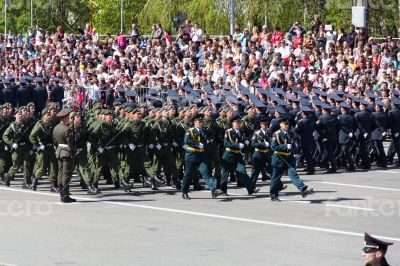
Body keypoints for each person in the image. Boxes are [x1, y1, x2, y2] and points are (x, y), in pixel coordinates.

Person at [269, 119, 314, 201]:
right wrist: (285, 147)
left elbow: (293, 144)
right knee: (276, 177)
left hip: (289, 157)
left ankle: (303, 190)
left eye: (287, 124)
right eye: (284, 124)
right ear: (280, 125)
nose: (286, 126)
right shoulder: (276, 134)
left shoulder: (291, 133)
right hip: (279, 158)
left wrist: (296, 152)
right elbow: (273, 147)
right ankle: (273, 195)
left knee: (293, 174)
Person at [181, 114, 223, 199]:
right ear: (194, 122)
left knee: (206, 173)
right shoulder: (190, 131)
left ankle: (213, 190)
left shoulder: (203, 131)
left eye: (201, 122)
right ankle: (184, 192)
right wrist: (197, 144)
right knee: (188, 175)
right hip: (191, 156)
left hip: (201, 156)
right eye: (199, 122)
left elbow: (204, 142)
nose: (200, 123)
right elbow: (187, 141)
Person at [221, 115, 260, 196]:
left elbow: (244, 142)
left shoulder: (241, 132)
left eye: (239, 123)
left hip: (238, 154)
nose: (238, 124)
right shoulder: (228, 132)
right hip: (229, 154)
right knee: (225, 173)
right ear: (232, 123)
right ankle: (223, 190)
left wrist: (246, 143)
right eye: (236, 123)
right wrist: (237, 145)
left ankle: (251, 189)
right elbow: (226, 144)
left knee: (243, 171)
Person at [53, 108, 76, 203]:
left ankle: (61, 193)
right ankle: (65, 195)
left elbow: (54, 141)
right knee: (66, 174)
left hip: (59, 152)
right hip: (67, 153)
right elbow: (70, 143)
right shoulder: (67, 129)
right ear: (65, 118)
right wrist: (74, 151)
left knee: (60, 173)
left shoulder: (56, 128)